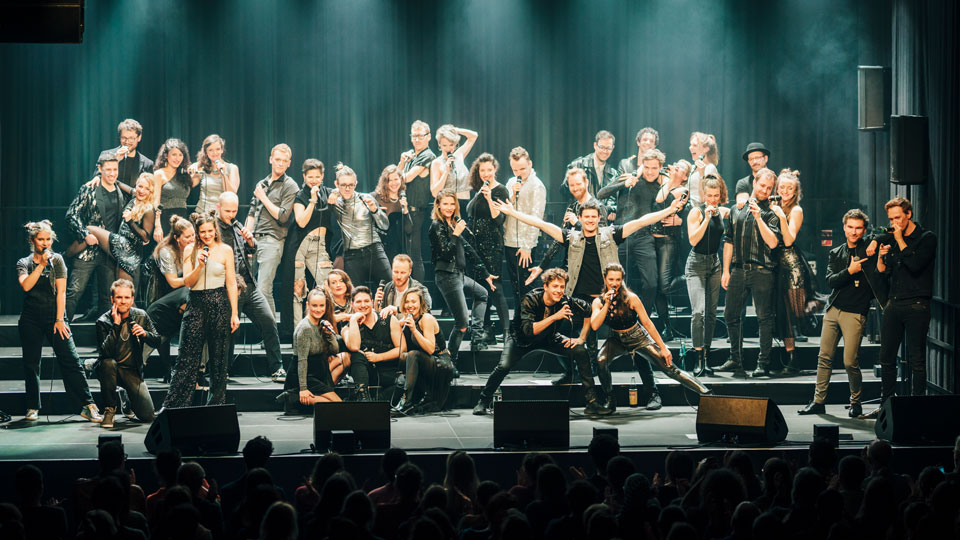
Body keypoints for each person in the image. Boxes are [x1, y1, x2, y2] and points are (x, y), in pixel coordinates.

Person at [492, 195, 684, 386]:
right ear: (580, 218)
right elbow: (541, 225)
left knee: (635, 340)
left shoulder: (612, 234)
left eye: (594, 216)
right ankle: (571, 374)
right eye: (587, 217)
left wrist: (669, 210)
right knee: (560, 334)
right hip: (580, 300)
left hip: (608, 299)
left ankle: (651, 391)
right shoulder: (571, 237)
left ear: (599, 218)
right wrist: (512, 213)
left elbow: (641, 221)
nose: (590, 220)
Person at [472, 268, 602, 416]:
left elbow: (590, 310)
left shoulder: (565, 300)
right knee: (504, 366)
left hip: (549, 338)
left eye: (562, 287)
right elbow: (529, 330)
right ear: (545, 286)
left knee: (580, 350)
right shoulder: (530, 299)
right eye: (555, 286)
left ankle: (592, 402)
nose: (559, 291)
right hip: (521, 340)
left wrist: (582, 338)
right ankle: (483, 401)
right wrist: (555, 317)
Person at [798, 209, 884, 418]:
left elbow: (884, 232)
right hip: (834, 309)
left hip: (855, 312)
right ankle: (818, 401)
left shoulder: (870, 251)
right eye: (851, 227)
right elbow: (830, 280)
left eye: (858, 228)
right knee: (824, 358)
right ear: (844, 228)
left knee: (849, 362)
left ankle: (856, 402)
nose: (854, 232)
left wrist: (875, 242)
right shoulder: (837, 252)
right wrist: (850, 271)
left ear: (864, 230)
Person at [592, 264, 710, 413]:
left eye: (618, 279)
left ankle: (707, 394)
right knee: (601, 361)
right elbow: (595, 325)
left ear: (622, 280)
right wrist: (607, 303)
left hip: (638, 337)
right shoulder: (599, 302)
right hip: (617, 340)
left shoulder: (631, 298)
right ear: (605, 279)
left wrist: (663, 347)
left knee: (670, 369)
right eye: (611, 279)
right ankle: (610, 400)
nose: (614, 283)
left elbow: (647, 323)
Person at [17, 220, 101, 422]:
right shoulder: (24, 263)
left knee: (71, 360)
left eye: (48, 239)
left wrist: (60, 319)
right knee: (31, 363)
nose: (45, 243)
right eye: (41, 240)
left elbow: (62, 292)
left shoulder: (58, 260)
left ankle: (86, 404)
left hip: (54, 316)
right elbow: (26, 286)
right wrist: (40, 266)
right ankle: (32, 407)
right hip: (30, 317)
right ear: (32, 240)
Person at [866, 196, 937, 418]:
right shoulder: (893, 239)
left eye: (898, 218)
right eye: (891, 219)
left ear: (908, 214)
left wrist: (899, 239)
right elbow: (884, 272)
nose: (894, 222)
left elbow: (915, 265)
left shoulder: (926, 238)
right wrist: (879, 254)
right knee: (886, 357)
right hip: (894, 303)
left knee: (917, 359)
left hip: (917, 304)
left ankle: (917, 408)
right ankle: (886, 406)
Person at [162, 211, 240, 409]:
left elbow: (231, 283)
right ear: (197, 232)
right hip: (196, 302)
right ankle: (176, 406)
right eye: (202, 232)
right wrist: (199, 265)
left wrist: (234, 313)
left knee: (218, 359)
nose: (206, 235)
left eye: (210, 231)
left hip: (219, 301)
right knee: (187, 357)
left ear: (216, 231)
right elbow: (188, 282)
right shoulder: (190, 250)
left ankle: (216, 405)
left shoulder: (225, 250)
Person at [716, 168, 782, 377]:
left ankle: (763, 363)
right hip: (738, 270)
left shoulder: (772, 212)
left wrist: (759, 217)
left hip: (762, 271)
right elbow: (728, 241)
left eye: (769, 188)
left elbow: (773, 242)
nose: (764, 190)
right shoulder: (736, 209)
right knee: (730, 315)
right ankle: (735, 359)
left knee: (764, 317)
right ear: (754, 183)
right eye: (762, 185)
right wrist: (725, 270)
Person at [217, 191, 286, 382]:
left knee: (269, 321)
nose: (231, 214)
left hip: (249, 286)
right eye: (228, 211)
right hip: (230, 288)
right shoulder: (213, 229)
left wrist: (250, 240)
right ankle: (224, 370)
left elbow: (251, 249)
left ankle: (277, 367)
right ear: (218, 208)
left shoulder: (237, 225)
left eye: (234, 210)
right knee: (231, 330)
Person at [430, 190, 496, 358]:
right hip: (447, 276)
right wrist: (456, 233)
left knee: (482, 294)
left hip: (458, 274)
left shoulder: (452, 224)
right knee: (462, 323)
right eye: (445, 203)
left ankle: (476, 339)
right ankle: (450, 360)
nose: (449, 207)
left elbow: (469, 250)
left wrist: (486, 273)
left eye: (452, 204)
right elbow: (445, 252)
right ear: (438, 205)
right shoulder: (437, 225)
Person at [597, 148, 665, 311]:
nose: (649, 172)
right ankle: (618, 320)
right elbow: (601, 194)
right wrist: (623, 183)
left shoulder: (661, 185)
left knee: (651, 283)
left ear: (660, 167)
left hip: (644, 237)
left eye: (654, 168)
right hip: (621, 236)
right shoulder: (629, 176)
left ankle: (642, 317)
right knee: (614, 282)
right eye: (646, 167)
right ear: (642, 165)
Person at [64, 151, 127, 320]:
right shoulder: (90, 188)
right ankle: (60, 336)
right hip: (88, 251)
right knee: (74, 292)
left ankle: (103, 341)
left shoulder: (119, 191)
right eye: (108, 169)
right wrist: (84, 234)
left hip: (109, 253)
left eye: (115, 169)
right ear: (99, 169)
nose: (112, 173)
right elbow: (71, 215)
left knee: (107, 298)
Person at [95, 279, 160, 428]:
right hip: (111, 370)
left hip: (132, 371)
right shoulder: (103, 321)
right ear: (112, 299)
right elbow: (105, 353)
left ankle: (127, 398)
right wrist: (116, 326)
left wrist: (145, 334)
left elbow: (157, 340)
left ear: (132, 299)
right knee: (108, 363)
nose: (123, 301)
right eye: (119, 297)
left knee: (148, 416)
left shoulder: (141, 316)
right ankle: (109, 410)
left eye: (126, 297)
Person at [527, 167, 608, 283]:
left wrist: (577, 223)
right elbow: (560, 239)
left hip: (591, 268)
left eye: (578, 184)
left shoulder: (598, 207)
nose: (575, 188)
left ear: (586, 183)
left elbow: (602, 240)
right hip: (570, 265)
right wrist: (541, 266)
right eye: (572, 185)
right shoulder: (572, 207)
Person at [244, 143, 299, 313]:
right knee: (248, 289)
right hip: (253, 239)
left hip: (272, 240)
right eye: (277, 160)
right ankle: (261, 334)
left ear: (289, 163)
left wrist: (263, 197)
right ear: (271, 160)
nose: (280, 163)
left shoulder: (290, 185)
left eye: (284, 161)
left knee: (263, 290)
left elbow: (283, 216)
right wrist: (245, 236)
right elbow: (252, 213)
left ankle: (270, 337)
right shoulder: (263, 183)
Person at [684, 175, 730, 376]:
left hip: (714, 263)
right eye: (709, 195)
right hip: (696, 264)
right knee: (698, 312)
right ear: (704, 195)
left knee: (711, 314)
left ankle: (707, 358)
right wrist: (707, 219)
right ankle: (697, 356)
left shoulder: (724, 211)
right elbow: (694, 240)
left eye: (716, 196)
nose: (713, 199)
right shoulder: (696, 212)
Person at [465, 153, 511, 345]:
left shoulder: (500, 190)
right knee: (481, 289)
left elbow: (498, 219)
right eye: (482, 170)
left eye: (489, 170)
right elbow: (468, 211)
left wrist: (489, 197)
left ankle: (508, 332)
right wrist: (480, 194)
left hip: (492, 244)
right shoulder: (477, 190)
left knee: (496, 288)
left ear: (495, 170)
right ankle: (487, 330)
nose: (486, 173)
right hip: (476, 244)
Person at [770, 169, 812, 373]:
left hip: (791, 266)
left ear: (796, 191)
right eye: (782, 187)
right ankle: (788, 357)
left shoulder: (796, 210)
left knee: (790, 315)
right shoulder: (773, 205)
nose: (785, 191)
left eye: (790, 188)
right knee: (779, 313)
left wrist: (780, 216)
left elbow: (788, 240)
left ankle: (794, 359)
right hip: (774, 266)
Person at [277, 288, 342, 414]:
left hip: (318, 373)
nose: (318, 309)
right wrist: (303, 389)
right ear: (307, 305)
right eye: (314, 306)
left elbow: (335, 350)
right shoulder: (305, 328)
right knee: (336, 404)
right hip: (305, 375)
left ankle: (296, 399)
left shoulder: (321, 324)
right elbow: (302, 361)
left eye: (322, 305)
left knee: (336, 404)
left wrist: (329, 335)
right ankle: (292, 397)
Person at [327, 163, 392, 288]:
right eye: (343, 185)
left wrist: (375, 211)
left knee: (390, 287)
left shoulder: (365, 198)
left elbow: (385, 226)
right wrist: (334, 193)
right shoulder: (334, 201)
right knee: (355, 293)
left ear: (355, 184)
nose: (347, 188)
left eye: (351, 185)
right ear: (336, 184)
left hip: (374, 250)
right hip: (352, 255)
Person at [145, 216, 193, 381]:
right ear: (177, 238)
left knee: (174, 330)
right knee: (160, 333)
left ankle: (176, 370)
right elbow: (172, 282)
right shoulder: (167, 251)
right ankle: (166, 369)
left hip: (179, 294)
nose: (192, 239)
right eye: (187, 237)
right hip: (162, 291)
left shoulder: (191, 248)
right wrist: (194, 278)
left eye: (193, 235)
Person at [86, 172, 156, 281]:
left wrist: (130, 221)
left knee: (125, 289)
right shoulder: (134, 195)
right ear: (136, 186)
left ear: (151, 192)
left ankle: (66, 257)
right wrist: (99, 177)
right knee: (89, 230)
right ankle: (66, 258)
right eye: (140, 186)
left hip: (130, 251)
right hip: (120, 243)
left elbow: (145, 237)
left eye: (147, 189)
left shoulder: (149, 209)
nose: (142, 191)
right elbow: (117, 182)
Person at [651, 160, 692, 341]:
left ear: (685, 177)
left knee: (665, 285)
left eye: (682, 167)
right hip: (653, 241)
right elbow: (659, 200)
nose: (676, 167)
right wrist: (668, 179)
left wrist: (669, 180)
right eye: (677, 164)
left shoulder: (683, 191)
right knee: (657, 289)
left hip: (668, 242)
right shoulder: (665, 184)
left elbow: (662, 200)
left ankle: (693, 277)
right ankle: (667, 327)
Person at [393, 288, 449, 415]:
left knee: (412, 355)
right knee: (403, 356)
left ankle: (407, 403)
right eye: (407, 302)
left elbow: (430, 349)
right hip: (422, 359)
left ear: (421, 303)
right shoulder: (407, 319)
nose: (410, 305)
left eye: (414, 301)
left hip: (438, 360)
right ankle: (405, 397)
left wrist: (414, 330)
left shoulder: (426, 319)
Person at [293, 158, 335, 325]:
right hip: (301, 245)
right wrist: (312, 200)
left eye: (317, 176)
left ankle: (326, 328)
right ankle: (298, 331)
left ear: (322, 176)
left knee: (327, 287)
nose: (314, 180)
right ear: (304, 176)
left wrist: (336, 196)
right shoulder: (300, 195)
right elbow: (301, 221)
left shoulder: (328, 192)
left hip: (320, 244)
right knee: (298, 289)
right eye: (310, 177)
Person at [342, 286, 402, 401]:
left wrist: (378, 357)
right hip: (365, 374)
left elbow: (401, 348)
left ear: (372, 302)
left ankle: (371, 402)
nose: (363, 305)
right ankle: (363, 398)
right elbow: (354, 347)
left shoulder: (389, 319)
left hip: (388, 371)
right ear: (352, 304)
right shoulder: (347, 329)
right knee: (357, 355)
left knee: (399, 388)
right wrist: (354, 320)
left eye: (366, 301)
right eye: (358, 302)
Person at [503, 147, 547, 301]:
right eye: (515, 169)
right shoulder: (511, 182)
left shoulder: (537, 185)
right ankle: (519, 317)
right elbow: (506, 208)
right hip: (510, 239)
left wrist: (527, 246)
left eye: (522, 168)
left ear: (530, 164)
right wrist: (514, 193)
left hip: (525, 244)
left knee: (526, 284)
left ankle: (529, 319)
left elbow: (537, 217)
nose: (519, 173)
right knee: (515, 284)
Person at [397, 120, 437, 281]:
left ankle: (418, 293)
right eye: (414, 136)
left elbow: (403, 178)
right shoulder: (411, 156)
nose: (417, 139)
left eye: (420, 136)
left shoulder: (428, 156)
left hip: (416, 213)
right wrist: (401, 162)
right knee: (406, 255)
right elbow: (395, 177)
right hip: (406, 211)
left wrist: (397, 175)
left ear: (428, 137)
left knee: (414, 255)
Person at [564, 130, 619, 221]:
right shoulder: (577, 165)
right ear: (595, 145)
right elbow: (566, 191)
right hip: (578, 219)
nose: (605, 151)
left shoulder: (613, 173)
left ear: (613, 148)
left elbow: (613, 200)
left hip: (601, 221)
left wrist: (610, 211)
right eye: (601, 147)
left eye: (608, 148)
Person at [151, 138, 198, 242]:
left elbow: (198, 176)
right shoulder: (159, 174)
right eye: (174, 154)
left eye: (180, 155)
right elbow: (155, 202)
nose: (177, 158)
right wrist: (157, 225)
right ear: (166, 155)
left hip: (182, 219)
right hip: (165, 219)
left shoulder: (184, 174)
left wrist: (192, 172)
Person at [98, 118, 154, 195]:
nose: (127, 142)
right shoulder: (106, 154)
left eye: (131, 138)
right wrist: (115, 159)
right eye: (124, 138)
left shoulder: (147, 163)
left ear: (139, 138)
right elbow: (97, 178)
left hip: (133, 205)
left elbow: (150, 191)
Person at [190, 134, 240, 213]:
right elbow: (190, 185)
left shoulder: (232, 168)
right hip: (202, 214)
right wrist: (192, 171)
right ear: (206, 152)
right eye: (211, 150)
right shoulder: (202, 168)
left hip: (221, 215)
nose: (215, 153)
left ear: (222, 150)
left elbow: (231, 194)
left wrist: (223, 174)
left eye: (217, 149)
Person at [430, 124, 479, 204]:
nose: (448, 149)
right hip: (448, 205)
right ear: (439, 144)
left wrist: (456, 130)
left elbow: (474, 136)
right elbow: (435, 192)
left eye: (451, 145)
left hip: (465, 202)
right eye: (444, 145)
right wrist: (446, 171)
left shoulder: (459, 155)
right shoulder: (437, 163)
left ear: (456, 144)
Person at [374, 164, 413, 262]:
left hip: (398, 249)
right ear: (384, 182)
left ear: (401, 179)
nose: (393, 183)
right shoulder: (376, 197)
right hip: (380, 248)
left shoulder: (404, 198)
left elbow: (409, 230)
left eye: (396, 179)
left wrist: (406, 211)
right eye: (389, 180)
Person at [734, 142, 771, 209]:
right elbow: (742, 206)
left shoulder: (777, 181)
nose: (754, 162)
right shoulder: (743, 183)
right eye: (751, 159)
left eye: (757, 158)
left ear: (765, 158)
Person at [686, 132, 720, 204]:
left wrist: (702, 174)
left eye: (694, 145)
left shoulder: (710, 168)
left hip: (698, 209)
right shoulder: (693, 168)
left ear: (706, 149)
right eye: (690, 145)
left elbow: (706, 198)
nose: (690, 148)